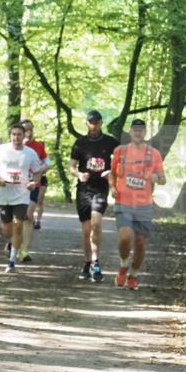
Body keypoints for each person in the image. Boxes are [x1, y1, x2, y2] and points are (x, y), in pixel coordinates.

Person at [109, 119, 166, 290]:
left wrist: (157, 178)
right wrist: (112, 187)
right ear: (130, 132)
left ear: (145, 132)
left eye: (141, 130)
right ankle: (123, 264)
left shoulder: (154, 154)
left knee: (140, 243)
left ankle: (132, 275)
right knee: (125, 237)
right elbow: (111, 174)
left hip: (144, 205)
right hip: (123, 202)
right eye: (135, 130)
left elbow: (163, 179)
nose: (138, 132)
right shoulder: (120, 151)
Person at [69, 110, 118, 281]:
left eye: (97, 122)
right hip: (84, 190)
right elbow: (72, 167)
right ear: (87, 123)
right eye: (91, 122)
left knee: (96, 224)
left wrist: (111, 173)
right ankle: (87, 262)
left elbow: (120, 164)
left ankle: (96, 262)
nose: (94, 125)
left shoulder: (111, 142)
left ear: (101, 123)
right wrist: (79, 175)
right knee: (86, 230)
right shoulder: (80, 143)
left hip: (100, 189)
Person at [0, 123, 41, 273]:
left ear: (24, 136)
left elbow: (37, 172)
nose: (16, 137)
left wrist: (34, 183)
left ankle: (11, 261)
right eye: (14, 134)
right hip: (4, 194)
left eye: (19, 134)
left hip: (22, 194)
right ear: (10, 136)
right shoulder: (1, 150)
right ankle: (12, 243)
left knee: (18, 225)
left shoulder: (30, 153)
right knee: (7, 231)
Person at [18, 119, 52, 262]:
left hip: (33, 185)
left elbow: (48, 162)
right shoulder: (14, 147)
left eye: (31, 129)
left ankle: (24, 250)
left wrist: (41, 169)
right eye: (25, 130)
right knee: (16, 219)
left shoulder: (38, 146)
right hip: (16, 187)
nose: (29, 133)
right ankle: (13, 241)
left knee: (28, 215)